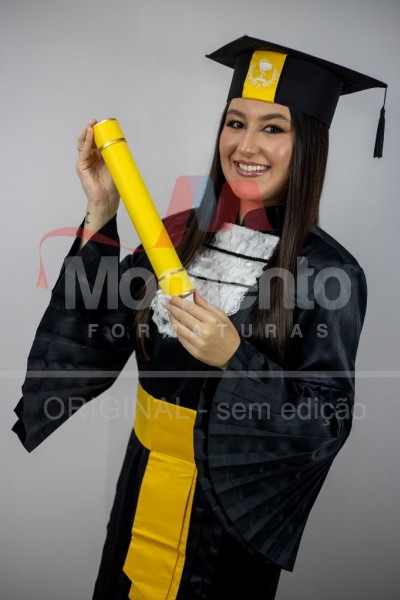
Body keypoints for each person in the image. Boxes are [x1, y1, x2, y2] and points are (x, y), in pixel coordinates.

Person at [13, 36, 387, 599]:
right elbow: (98, 334)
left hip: (227, 517)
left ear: (308, 144)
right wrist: (101, 211)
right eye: (235, 122)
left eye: (273, 128)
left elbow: (326, 424)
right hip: (140, 486)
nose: (246, 145)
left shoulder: (329, 272)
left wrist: (235, 358)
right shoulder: (177, 234)